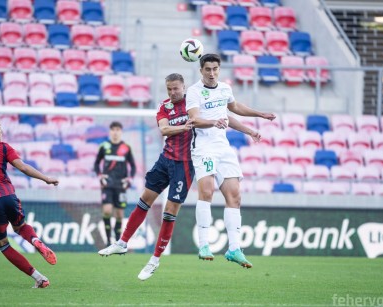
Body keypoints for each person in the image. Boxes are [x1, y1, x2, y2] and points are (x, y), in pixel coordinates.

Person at [98, 73, 260, 280]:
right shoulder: (165, 106)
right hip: (165, 160)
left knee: (169, 211)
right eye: (169, 89)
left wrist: (249, 129)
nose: (173, 92)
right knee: (144, 200)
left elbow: (225, 117)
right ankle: (122, 243)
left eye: (176, 88)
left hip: (185, 165)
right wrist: (183, 127)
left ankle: (154, 260)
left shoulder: (195, 101)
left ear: (184, 87)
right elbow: (164, 129)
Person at [186, 53, 276, 269]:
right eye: (207, 69)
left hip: (223, 149)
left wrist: (255, 121)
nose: (211, 73)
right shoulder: (194, 91)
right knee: (206, 191)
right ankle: (204, 245)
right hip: (203, 148)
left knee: (235, 195)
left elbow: (233, 110)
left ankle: (234, 249)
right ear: (201, 71)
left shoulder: (225, 88)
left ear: (219, 69)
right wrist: (212, 122)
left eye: (215, 69)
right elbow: (194, 119)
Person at [0, 116, 59, 288]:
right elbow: (23, 167)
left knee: (3, 245)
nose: (1, 131)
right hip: (8, 196)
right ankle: (35, 241)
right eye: (0, 128)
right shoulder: (3, 147)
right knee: (21, 227)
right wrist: (46, 178)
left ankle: (40, 278)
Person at [94, 121, 136, 246]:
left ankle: (118, 241)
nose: (115, 132)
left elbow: (132, 165)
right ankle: (107, 241)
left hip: (121, 185)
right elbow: (96, 163)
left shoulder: (126, 148)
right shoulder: (104, 146)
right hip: (107, 184)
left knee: (119, 214)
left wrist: (130, 178)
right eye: (113, 129)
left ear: (121, 132)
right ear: (110, 131)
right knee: (107, 210)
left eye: (118, 129)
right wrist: (100, 175)